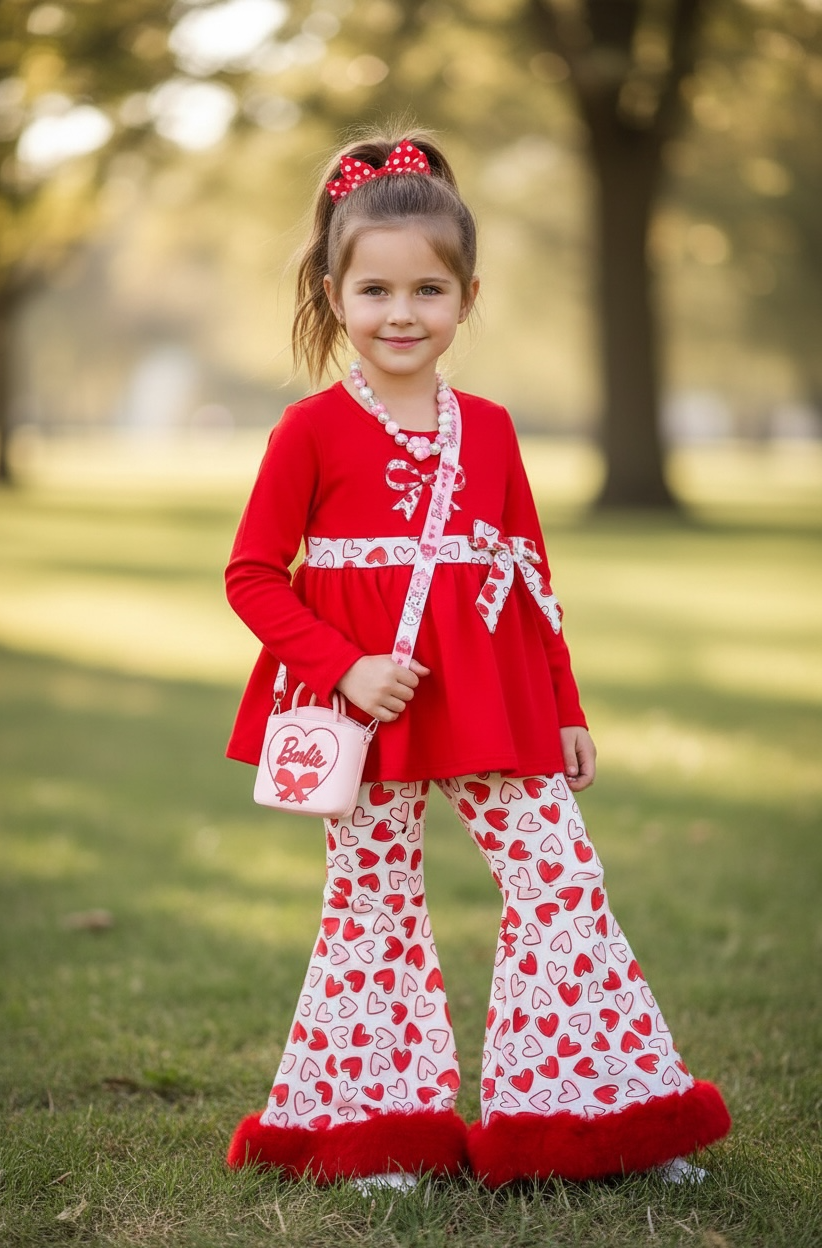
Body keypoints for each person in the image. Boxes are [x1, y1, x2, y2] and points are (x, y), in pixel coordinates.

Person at [224, 129, 730, 1190]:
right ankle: (377, 1132)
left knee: (561, 881)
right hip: (366, 706)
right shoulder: (309, 431)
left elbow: (533, 584)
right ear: (333, 291)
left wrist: (567, 706)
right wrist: (343, 666)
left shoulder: (492, 433)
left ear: (466, 297)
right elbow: (253, 574)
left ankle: (594, 1118)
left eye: (426, 290)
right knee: (371, 898)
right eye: (373, 290)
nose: (399, 313)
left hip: (494, 702)